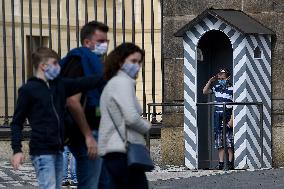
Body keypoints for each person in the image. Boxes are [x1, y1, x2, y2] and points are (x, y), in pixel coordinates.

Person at [10, 47, 104, 189]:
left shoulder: (59, 85)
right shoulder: (28, 90)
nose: (58, 67)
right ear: (43, 66)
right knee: (49, 186)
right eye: (55, 63)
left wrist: (107, 74)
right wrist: (17, 150)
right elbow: (17, 122)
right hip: (41, 150)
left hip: (58, 149)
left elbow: (83, 82)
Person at [60, 21, 109, 189]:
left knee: (104, 183)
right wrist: (88, 136)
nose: (104, 45)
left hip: (97, 132)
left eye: (106, 41)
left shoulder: (93, 63)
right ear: (87, 42)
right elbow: (72, 101)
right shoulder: (80, 61)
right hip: (86, 135)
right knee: (90, 184)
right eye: (100, 41)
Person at [98, 43, 151, 189]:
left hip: (113, 149)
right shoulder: (123, 82)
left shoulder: (113, 83)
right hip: (122, 150)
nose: (137, 66)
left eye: (139, 62)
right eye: (133, 61)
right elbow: (131, 117)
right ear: (121, 62)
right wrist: (147, 126)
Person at [203, 68, 234, 170]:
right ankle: (221, 163)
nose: (220, 79)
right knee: (219, 141)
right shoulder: (216, 87)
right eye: (219, 78)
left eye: (223, 78)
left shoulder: (232, 89)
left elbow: (236, 106)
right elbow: (205, 91)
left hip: (228, 115)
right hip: (217, 116)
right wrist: (210, 81)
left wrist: (232, 120)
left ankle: (230, 163)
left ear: (228, 78)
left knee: (229, 141)